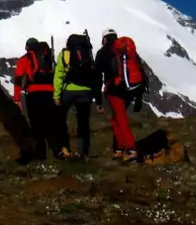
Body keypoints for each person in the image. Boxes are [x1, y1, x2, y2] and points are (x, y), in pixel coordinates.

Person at [95, 28, 148, 162]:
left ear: (105, 39)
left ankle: (130, 149)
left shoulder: (103, 52)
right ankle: (119, 149)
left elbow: (96, 76)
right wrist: (139, 98)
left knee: (120, 119)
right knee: (117, 118)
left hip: (114, 89)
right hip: (130, 89)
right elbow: (140, 70)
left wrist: (98, 100)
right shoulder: (126, 49)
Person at [13, 38, 67, 160]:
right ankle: (58, 151)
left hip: (33, 95)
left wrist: (17, 98)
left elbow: (18, 79)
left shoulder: (25, 59)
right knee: (51, 123)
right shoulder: (48, 57)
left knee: (36, 126)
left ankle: (41, 156)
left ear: (28, 47)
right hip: (50, 93)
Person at [53, 33, 102, 160]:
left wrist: (57, 96)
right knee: (83, 123)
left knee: (60, 119)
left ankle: (65, 149)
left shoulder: (65, 54)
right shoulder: (88, 54)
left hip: (68, 91)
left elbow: (58, 76)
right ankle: (83, 153)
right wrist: (96, 97)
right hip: (85, 92)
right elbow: (94, 75)